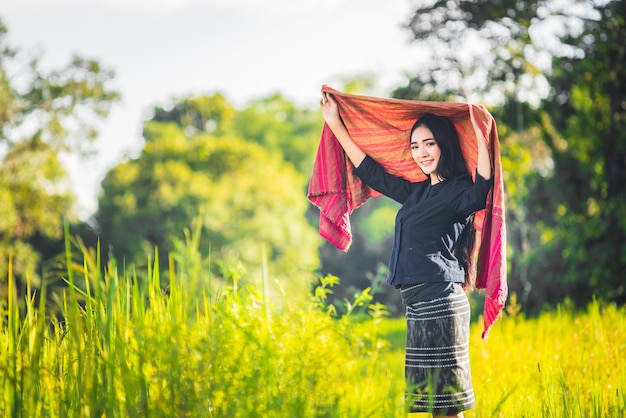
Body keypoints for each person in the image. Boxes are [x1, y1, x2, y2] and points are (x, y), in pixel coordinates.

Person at [320, 91, 493, 418]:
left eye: (428, 143)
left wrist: (481, 135)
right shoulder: (418, 193)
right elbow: (372, 173)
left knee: (447, 408)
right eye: (415, 146)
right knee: (433, 406)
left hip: (441, 304)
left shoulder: (459, 191)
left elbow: (483, 187)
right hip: (419, 307)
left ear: (444, 144)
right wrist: (335, 124)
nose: (421, 153)